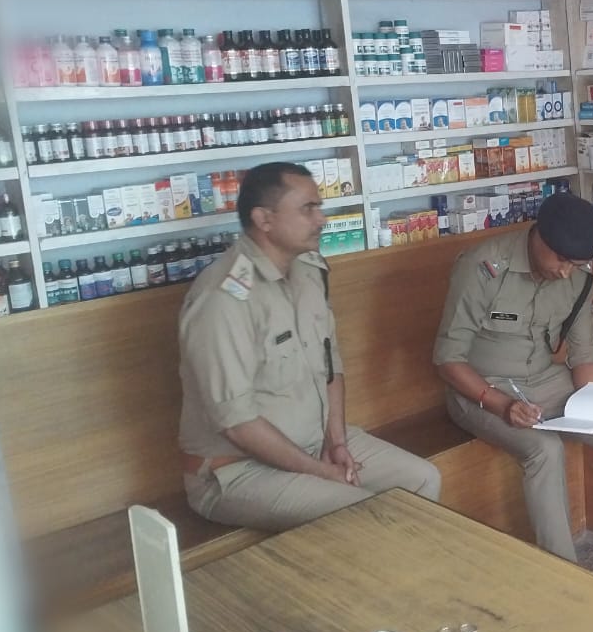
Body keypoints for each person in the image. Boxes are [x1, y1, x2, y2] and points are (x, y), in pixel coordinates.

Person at [178, 162, 440, 531]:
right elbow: (236, 423)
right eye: (307, 209)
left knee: (422, 479)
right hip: (237, 470)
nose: (321, 220)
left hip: (315, 443)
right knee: (363, 516)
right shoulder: (224, 297)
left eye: (319, 207)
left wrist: (337, 443)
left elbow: (330, 366)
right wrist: (319, 471)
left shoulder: (308, 270)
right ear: (264, 219)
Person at [434, 192, 593, 572]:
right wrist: (502, 405)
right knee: (543, 449)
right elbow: (448, 359)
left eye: (574, 264)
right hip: (480, 388)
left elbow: (584, 351)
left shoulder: (579, 275)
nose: (565, 272)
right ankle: (565, 577)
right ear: (538, 236)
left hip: (546, 380)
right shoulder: (483, 267)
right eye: (560, 260)